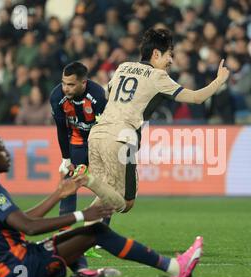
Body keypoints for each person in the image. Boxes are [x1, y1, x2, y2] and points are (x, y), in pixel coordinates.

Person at [0, 132, 202, 277]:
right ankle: (174, 268)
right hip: (18, 269)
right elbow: (29, 227)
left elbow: (23, 219)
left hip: (6, 268)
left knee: (67, 236)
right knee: (96, 231)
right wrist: (82, 215)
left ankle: (83, 273)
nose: (7, 154)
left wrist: (59, 194)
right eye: (1, 149)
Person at [80, 28, 229, 216]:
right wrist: (219, 81)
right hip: (120, 138)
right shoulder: (158, 77)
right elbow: (197, 97)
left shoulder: (122, 67)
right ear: (156, 53)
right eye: (169, 55)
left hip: (97, 135)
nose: (171, 60)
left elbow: (107, 95)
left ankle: (88, 238)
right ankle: (86, 179)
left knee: (105, 195)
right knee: (126, 203)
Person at [50, 61, 108, 268]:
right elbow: (60, 129)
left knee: (107, 188)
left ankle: (98, 236)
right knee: (69, 182)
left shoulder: (99, 96)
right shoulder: (57, 97)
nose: (66, 88)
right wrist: (66, 158)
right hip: (76, 141)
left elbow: (106, 126)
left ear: (84, 83)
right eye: (64, 83)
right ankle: (65, 235)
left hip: (98, 141)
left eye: (71, 85)